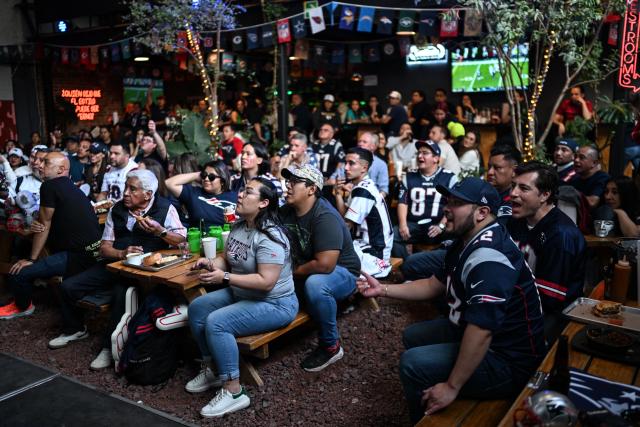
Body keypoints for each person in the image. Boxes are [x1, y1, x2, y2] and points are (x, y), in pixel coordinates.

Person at [357, 177, 545, 424]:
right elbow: (432, 284)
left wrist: (452, 386)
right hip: (483, 334)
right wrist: (382, 289)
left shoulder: (489, 256)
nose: (447, 207)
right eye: (448, 200)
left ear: (482, 212)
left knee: (412, 364)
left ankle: (425, 418)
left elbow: (482, 330)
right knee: (413, 336)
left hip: (509, 359)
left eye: (457, 203)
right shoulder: (468, 238)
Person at [185, 177, 298, 417]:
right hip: (243, 293)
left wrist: (224, 277)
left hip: (275, 303)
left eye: (248, 192)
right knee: (197, 308)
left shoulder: (270, 237)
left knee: (217, 323)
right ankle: (214, 369)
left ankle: (234, 390)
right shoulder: (240, 225)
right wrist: (211, 263)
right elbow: (227, 258)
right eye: (241, 190)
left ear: (264, 203)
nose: (239, 195)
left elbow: (266, 282)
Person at [52, 169, 186, 367]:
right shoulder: (117, 210)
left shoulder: (165, 209)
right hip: (115, 264)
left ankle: (108, 347)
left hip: (146, 272)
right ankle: (75, 329)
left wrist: (161, 231)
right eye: (126, 187)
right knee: (67, 286)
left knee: (121, 294)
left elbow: (181, 241)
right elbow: (105, 248)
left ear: (148, 194)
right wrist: (122, 254)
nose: (125, 193)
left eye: (132, 189)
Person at [279, 164, 361, 372]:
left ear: (311, 189)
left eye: (294, 182)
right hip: (305, 268)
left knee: (316, 285)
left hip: (342, 272)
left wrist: (287, 273)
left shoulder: (325, 216)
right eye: (288, 181)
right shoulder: (285, 212)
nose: (288, 186)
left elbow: (325, 265)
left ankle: (330, 346)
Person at [1, 152, 101, 320]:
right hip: (95, 253)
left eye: (46, 163)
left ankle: (23, 306)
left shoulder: (49, 186)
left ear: (61, 169)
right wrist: (37, 224)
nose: (40, 165)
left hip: (77, 257)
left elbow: (44, 225)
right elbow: (45, 222)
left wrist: (31, 260)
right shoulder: (69, 186)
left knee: (19, 273)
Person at [507, 162, 586, 343]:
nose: (513, 193)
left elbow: (548, 300)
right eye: (513, 186)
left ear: (544, 195)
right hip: (516, 307)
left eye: (523, 188)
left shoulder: (560, 235)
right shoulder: (516, 220)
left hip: (546, 320)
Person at [393, 140, 457, 262]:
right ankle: (408, 265)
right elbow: (403, 202)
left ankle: (439, 268)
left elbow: (454, 205)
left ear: (436, 158)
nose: (420, 156)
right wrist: (403, 224)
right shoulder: (409, 176)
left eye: (425, 153)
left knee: (458, 236)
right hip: (414, 225)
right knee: (393, 235)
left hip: (439, 225)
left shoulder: (449, 177)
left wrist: (442, 225)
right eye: (419, 153)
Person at [334, 148, 393, 278]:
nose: (346, 167)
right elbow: (346, 216)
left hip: (374, 254)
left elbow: (346, 225)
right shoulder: (362, 186)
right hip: (364, 246)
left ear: (364, 168)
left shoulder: (363, 190)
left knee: (328, 260)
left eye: (351, 163)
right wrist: (338, 194)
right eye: (346, 163)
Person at [166, 160, 237, 228]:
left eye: (211, 177)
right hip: (200, 238)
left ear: (222, 181)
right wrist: (197, 175)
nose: (206, 179)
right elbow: (168, 183)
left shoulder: (235, 196)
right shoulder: (193, 193)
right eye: (204, 175)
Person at [487, 145, 521, 222]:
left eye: (497, 168)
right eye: (489, 167)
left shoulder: (515, 202)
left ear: (514, 171)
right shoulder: (486, 193)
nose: (490, 172)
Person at [356, 132, 389, 197]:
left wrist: (375, 201)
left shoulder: (381, 164)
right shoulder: (350, 160)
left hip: (372, 199)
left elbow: (384, 190)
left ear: (373, 146)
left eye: (364, 142)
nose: (360, 144)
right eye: (359, 141)